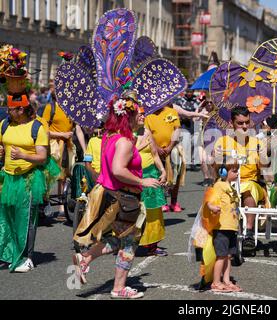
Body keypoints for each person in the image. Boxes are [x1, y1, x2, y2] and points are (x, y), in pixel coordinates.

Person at [72, 90, 159, 299]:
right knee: (129, 244)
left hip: (111, 195)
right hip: (124, 199)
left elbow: (119, 157)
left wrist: (137, 146)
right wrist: (142, 181)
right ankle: (119, 288)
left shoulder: (111, 136)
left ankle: (84, 258)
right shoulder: (125, 141)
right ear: (127, 115)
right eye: (138, 111)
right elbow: (119, 168)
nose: (142, 115)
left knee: (117, 240)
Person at [0, 94, 60, 272]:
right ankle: (9, 252)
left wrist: (23, 155)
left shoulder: (37, 128)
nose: (7, 111)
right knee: (7, 215)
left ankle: (26, 257)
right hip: (8, 176)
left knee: (25, 218)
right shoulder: (4, 125)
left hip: (29, 177)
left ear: (21, 109)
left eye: (11, 109)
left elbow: (42, 157)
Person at [213, 106, 270, 252]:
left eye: (246, 122)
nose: (244, 126)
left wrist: (264, 155)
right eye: (240, 123)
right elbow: (216, 169)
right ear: (232, 123)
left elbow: (265, 169)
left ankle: (249, 233)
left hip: (251, 183)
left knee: (248, 189)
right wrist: (217, 159)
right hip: (228, 182)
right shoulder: (222, 141)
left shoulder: (257, 142)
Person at [204, 162, 242, 292]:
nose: (237, 173)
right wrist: (212, 207)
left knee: (229, 255)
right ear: (224, 173)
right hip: (222, 227)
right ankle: (216, 282)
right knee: (221, 255)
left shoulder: (230, 187)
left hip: (231, 226)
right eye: (234, 171)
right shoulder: (219, 185)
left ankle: (226, 280)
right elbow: (209, 199)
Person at [136, 113, 168, 256]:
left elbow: (154, 154)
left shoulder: (147, 131)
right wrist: (139, 147)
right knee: (135, 211)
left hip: (151, 174)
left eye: (143, 115)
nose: (143, 117)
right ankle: (130, 243)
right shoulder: (124, 133)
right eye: (139, 115)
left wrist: (162, 170)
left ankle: (152, 246)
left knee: (154, 210)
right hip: (134, 176)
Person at [37, 99, 75, 219]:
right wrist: (61, 135)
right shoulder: (50, 108)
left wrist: (84, 149)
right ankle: (44, 202)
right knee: (48, 175)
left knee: (63, 176)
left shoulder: (72, 108)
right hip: (53, 146)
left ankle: (61, 207)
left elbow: (76, 128)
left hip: (67, 145)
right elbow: (44, 131)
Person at [145, 105, 184, 212]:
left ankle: (174, 202)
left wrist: (170, 146)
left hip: (173, 148)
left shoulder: (172, 112)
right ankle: (162, 202)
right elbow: (148, 133)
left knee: (176, 175)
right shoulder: (148, 115)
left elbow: (177, 130)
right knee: (159, 176)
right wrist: (156, 148)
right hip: (155, 150)